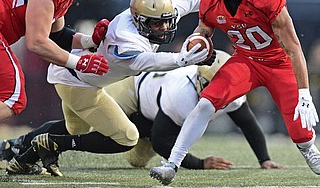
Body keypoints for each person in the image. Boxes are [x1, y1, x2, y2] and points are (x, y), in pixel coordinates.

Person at [150, 0, 320, 186]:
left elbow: (292, 46)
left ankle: (309, 150)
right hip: (246, 61)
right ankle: (171, 164)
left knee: (300, 133)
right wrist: (196, 42)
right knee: (206, 103)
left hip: (278, 62)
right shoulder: (210, 1)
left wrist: (304, 93)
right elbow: (204, 30)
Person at [4, 0, 209, 176]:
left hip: (75, 77)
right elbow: (148, 61)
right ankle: (51, 144)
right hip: (78, 83)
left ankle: (17, 147)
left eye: (167, 21)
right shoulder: (124, 39)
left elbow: (194, 0)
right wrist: (182, 59)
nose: (164, 27)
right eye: (156, 24)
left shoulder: (156, 10)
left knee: (74, 129)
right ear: (139, 20)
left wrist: (222, 0)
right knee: (127, 137)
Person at [0, 50, 284, 174]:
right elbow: (163, 142)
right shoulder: (182, 96)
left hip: (154, 116)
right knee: (88, 126)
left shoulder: (231, 96)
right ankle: (20, 145)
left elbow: (247, 122)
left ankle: (41, 144)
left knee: (136, 159)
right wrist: (200, 163)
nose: (222, 92)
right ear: (201, 80)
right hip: (134, 92)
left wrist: (265, 159)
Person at [0, 0, 110, 122]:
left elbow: (57, 35)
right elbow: (36, 42)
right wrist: (78, 62)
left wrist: (90, 41)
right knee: (13, 98)